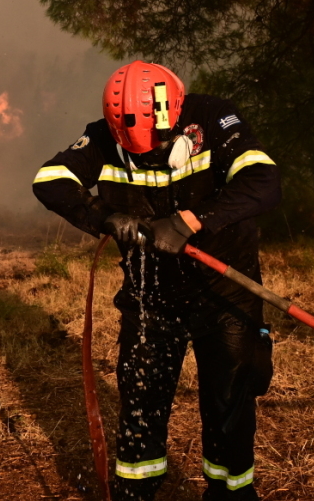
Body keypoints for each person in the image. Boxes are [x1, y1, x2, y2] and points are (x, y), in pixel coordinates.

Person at [33, 61, 281, 500]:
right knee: (141, 402)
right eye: (136, 148)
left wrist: (190, 221)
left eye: (160, 143)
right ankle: (136, 491)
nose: (149, 154)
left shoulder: (215, 118)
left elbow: (263, 182)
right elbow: (49, 180)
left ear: (176, 112)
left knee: (230, 401)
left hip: (224, 292)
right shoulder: (105, 135)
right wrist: (105, 217)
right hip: (151, 298)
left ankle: (230, 494)